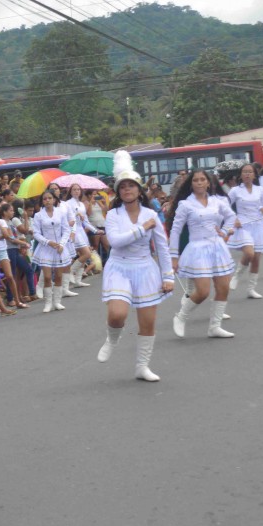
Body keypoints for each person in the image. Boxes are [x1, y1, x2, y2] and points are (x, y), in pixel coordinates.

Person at [98, 151, 174, 381]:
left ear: (139, 190)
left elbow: (161, 246)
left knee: (148, 322)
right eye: (123, 187)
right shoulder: (113, 215)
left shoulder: (151, 214)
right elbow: (115, 242)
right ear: (119, 192)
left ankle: (142, 367)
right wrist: (142, 229)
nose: (127, 190)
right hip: (119, 267)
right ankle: (112, 338)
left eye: (131, 186)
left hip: (145, 268)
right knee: (117, 314)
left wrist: (168, 276)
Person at [166, 170, 236, 339]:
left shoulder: (216, 201)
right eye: (195, 180)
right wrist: (174, 257)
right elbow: (175, 230)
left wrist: (225, 231)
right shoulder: (185, 205)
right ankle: (181, 316)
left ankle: (214, 327)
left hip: (217, 247)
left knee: (223, 288)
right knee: (203, 291)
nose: (199, 182)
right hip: (197, 249)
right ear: (191, 184)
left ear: (208, 183)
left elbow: (231, 216)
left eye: (202, 179)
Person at [227, 163, 263, 299]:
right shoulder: (235, 190)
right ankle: (236, 276)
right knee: (249, 253)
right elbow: (225, 206)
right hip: (243, 225)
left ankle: (251, 289)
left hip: (257, 225)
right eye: (244, 172)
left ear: (254, 175)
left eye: (250, 172)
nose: (247, 174)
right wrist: (234, 219)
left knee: (256, 258)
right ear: (241, 175)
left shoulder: (260, 190)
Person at [32, 190, 70, 314]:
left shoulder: (61, 213)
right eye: (45, 199)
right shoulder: (38, 215)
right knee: (47, 276)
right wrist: (48, 242)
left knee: (59, 275)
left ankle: (57, 302)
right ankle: (48, 303)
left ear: (54, 199)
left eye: (49, 198)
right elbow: (36, 233)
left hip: (59, 247)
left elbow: (66, 230)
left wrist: (62, 244)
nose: (47, 200)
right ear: (42, 201)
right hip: (46, 248)